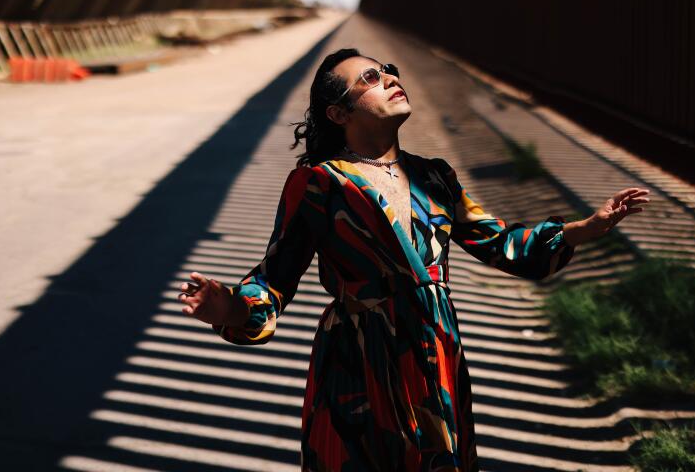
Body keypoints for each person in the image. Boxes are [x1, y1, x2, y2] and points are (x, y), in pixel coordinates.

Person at [178, 48, 650, 471]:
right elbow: (274, 280)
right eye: (368, 78)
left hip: (434, 348)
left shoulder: (435, 176)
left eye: (388, 70)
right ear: (339, 112)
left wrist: (584, 229)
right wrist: (231, 308)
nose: (386, 77)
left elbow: (500, 243)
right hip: (359, 360)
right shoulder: (318, 184)